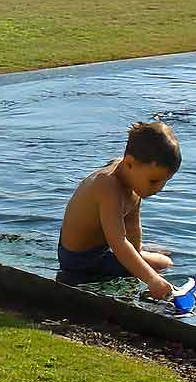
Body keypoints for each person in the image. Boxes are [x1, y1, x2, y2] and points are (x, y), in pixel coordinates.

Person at [56, 121, 182, 295]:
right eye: (153, 181)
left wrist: (137, 252)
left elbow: (132, 226)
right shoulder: (108, 186)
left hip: (100, 250)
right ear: (129, 162)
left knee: (158, 253)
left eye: (164, 182)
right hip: (80, 262)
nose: (158, 188)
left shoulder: (132, 178)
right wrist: (152, 279)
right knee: (164, 263)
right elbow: (119, 242)